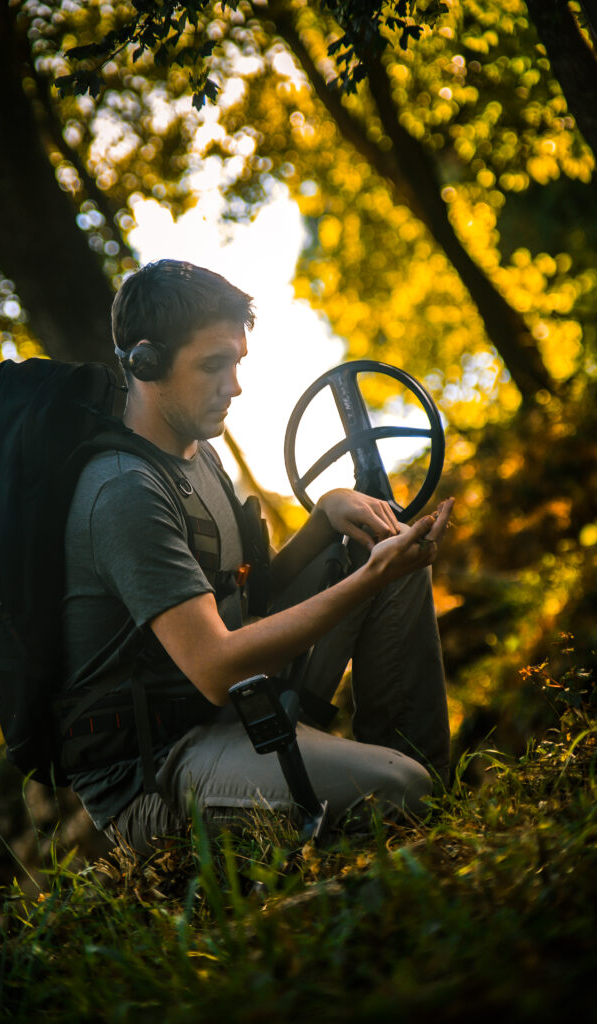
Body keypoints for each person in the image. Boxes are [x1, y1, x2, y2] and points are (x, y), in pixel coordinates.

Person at [62, 259, 453, 855]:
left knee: (382, 549)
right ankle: (402, 799)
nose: (234, 385)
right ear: (145, 362)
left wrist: (327, 517)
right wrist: (372, 575)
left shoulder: (196, 454)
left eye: (237, 362)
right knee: (402, 787)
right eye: (214, 365)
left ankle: (426, 805)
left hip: (231, 706)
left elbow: (253, 601)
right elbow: (215, 666)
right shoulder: (125, 493)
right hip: (157, 773)